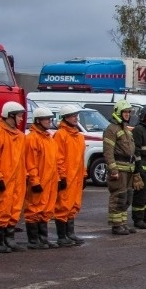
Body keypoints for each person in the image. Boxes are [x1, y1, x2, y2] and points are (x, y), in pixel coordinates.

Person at [0, 101, 28, 253]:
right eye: (19, 116)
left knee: (15, 209)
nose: (21, 119)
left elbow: (23, 159)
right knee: (1, 209)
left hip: (18, 180)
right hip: (3, 180)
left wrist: (26, 176)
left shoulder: (21, 136)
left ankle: (10, 240)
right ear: (10, 116)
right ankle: (0, 242)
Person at [24, 107, 61, 249]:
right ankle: (34, 240)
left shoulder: (49, 139)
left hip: (49, 181)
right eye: (46, 119)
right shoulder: (32, 139)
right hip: (39, 181)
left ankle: (42, 238)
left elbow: (55, 162)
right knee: (34, 209)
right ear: (38, 120)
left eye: (50, 119)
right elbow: (30, 162)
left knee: (46, 209)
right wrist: (34, 181)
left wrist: (57, 179)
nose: (49, 121)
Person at [54, 104, 87, 246]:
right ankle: (62, 236)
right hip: (67, 177)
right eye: (73, 116)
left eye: (76, 116)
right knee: (63, 206)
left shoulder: (79, 136)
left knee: (74, 205)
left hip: (77, 177)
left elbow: (81, 158)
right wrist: (61, 176)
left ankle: (70, 234)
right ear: (65, 118)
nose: (76, 118)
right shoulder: (60, 135)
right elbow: (58, 158)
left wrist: (84, 175)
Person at [104, 99, 136, 235]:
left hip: (128, 168)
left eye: (129, 112)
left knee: (127, 197)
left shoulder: (126, 130)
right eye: (125, 112)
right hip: (119, 168)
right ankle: (116, 225)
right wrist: (113, 169)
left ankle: (123, 223)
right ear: (118, 113)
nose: (127, 114)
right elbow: (108, 151)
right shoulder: (111, 129)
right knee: (118, 196)